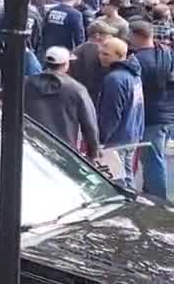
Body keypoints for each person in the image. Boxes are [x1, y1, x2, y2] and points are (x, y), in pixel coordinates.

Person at [24, 46, 101, 158]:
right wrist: (93, 152)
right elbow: (90, 125)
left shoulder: (26, 83)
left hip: (31, 145)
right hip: (64, 150)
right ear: (66, 64)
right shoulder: (76, 89)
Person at [129, 21, 174, 200]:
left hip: (151, 116)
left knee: (153, 161)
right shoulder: (167, 54)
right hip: (167, 113)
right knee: (156, 157)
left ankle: (157, 199)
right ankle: (151, 192)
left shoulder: (138, 61)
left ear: (136, 36)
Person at [96, 36, 145, 186]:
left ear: (119, 56)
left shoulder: (115, 79)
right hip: (132, 135)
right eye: (101, 53)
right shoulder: (133, 75)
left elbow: (111, 114)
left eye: (106, 54)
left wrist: (102, 140)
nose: (101, 57)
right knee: (128, 178)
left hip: (117, 139)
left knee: (117, 183)